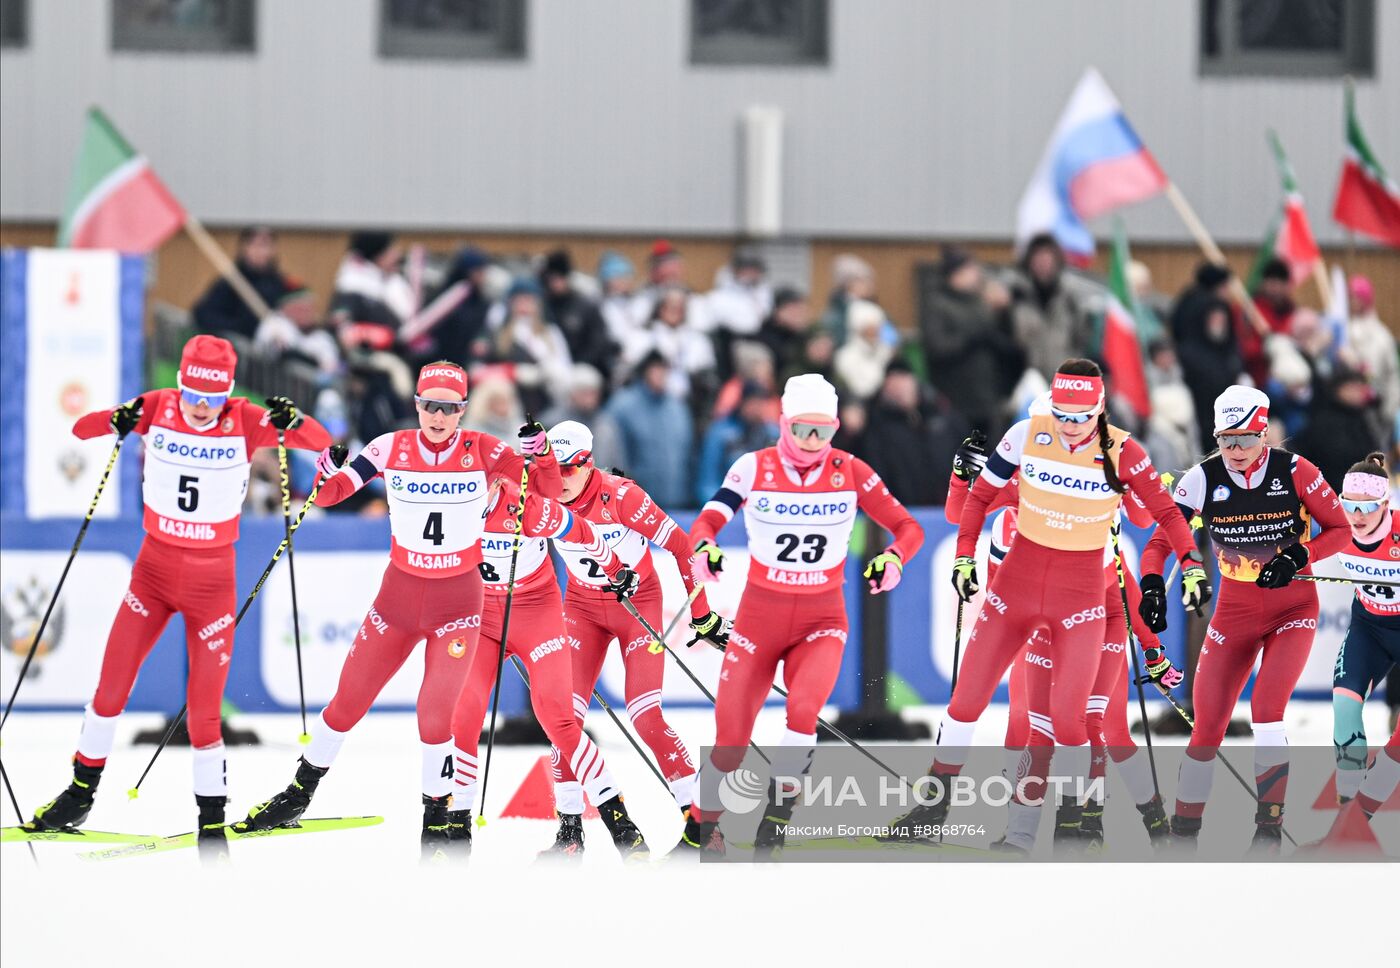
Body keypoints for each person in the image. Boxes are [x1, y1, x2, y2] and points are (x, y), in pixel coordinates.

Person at [236, 363, 555, 858]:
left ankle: (437, 820)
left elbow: (549, 492)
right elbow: (339, 491)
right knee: (348, 699)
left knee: (436, 713)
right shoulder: (390, 446)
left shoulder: (486, 451)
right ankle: (297, 794)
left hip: (459, 602)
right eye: (430, 405)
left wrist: (543, 455)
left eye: (449, 407)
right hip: (399, 599)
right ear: (417, 404)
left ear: (463, 410)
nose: (438, 416)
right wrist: (327, 471)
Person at [28, 336, 328, 846]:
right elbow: (82, 428)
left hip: (212, 582)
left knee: (205, 710)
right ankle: (78, 794)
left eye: (212, 398)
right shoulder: (156, 406)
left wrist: (293, 419)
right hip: (153, 573)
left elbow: (321, 441)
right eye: (193, 394)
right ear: (180, 385)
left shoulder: (246, 419)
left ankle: (211, 822)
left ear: (228, 392)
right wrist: (116, 419)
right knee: (110, 688)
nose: (201, 407)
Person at [904, 360, 1200, 843]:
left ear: (1099, 411)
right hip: (1019, 601)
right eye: (1058, 416)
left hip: (1089, 607)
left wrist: (1153, 641)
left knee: (1090, 723)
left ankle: (1094, 822)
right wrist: (963, 531)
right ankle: (953, 814)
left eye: (1078, 418)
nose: (1067, 429)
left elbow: (1139, 547)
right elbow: (969, 505)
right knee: (996, 713)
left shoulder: (1115, 461)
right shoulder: (1022, 465)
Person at [677, 374, 924, 857]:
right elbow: (706, 521)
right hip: (758, 621)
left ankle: (776, 821)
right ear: (783, 423)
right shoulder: (753, 467)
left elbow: (907, 527)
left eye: (824, 431)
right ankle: (701, 832)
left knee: (803, 712)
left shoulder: (850, 470)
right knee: (729, 741)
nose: (813, 443)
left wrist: (894, 558)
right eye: (802, 430)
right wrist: (703, 547)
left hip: (822, 620)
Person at [1139, 385, 1351, 852]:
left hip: (1293, 607)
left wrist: (1299, 555)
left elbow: (1340, 530)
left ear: (1264, 434)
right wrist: (1152, 584)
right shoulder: (1201, 478)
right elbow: (1159, 543)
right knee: (1207, 725)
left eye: (1244, 439)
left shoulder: (1296, 471)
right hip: (1233, 614)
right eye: (1224, 439)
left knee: (1266, 712)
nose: (1234, 450)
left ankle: (1268, 830)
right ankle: (1184, 832)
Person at [544, 420, 728, 850]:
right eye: (550, 471)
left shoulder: (621, 497)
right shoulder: (540, 492)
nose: (558, 482)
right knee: (563, 721)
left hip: (637, 607)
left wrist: (702, 616)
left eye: (568, 470)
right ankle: (570, 832)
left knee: (646, 716)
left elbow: (683, 548)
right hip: (583, 610)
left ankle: (699, 822)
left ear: (588, 464)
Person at [448, 469, 648, 860]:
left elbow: (584, 531)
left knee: (558, 719)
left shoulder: (527, 504)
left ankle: (623, 828)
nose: (472, 492)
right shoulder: (450, 507)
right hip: (483, 618)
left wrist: (615, 570)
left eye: (481, 484)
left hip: (536, 615)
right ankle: (456, 830)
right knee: (464, 714)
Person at [1328, 452, 1400, 817]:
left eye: (1368, 507)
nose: (1357, 517)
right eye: (1349, 506)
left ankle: (1363, 813)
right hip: (1369, 628)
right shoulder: (1335, 530)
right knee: (1343, 706)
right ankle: (1347, 805)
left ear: (1385, 504)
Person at [919, 245, 1020, 443]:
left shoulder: (979, 302)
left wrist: (1004, 312)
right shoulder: (938, 304)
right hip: (955, 397)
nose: (976, 275)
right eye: (970, 270)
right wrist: (974, 338)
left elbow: (1002, 338)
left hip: (986, 396)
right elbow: (937, 347)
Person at [855, 360, 967, 506]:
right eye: (894, 382)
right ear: (885, 388)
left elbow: (971, 456)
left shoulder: (942, 416)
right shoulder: (877, 428)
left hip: (949, 509)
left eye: (904, 379)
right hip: (903, 511)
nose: (900, 387)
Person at [604, 351, 694, 509]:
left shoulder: (677, 407)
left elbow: (689, 452)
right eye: (656, 369)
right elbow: (613, 454)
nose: (661, 375)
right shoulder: (622, 406)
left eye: (665, 370)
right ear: (644, 372)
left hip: (678, 501)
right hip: (636, 504)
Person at [1170, 263, 1244, 452]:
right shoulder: (1216, 306)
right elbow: (1217, 335)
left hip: (1186, 368)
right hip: (1212, 374)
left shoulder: (1185, 300)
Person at [1006, 233, 1091, 382]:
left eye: (1047, 258)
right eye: (1038, 258)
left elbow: (1081, 338)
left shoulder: (1070, 298)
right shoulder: (1016, 296)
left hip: (1063, 377)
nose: (1043, 264)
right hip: (1026, 378)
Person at [192, 226, 296, 340]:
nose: (260, 251)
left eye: (266, 245)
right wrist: (239, 327)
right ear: (245, 248)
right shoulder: (231, 283)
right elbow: (204, 314)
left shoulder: (280, 283)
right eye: (255, 245)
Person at [694, 381, 779, 506]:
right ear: (743, 403)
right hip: (728, 509)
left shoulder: (773, 434)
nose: (757, 408)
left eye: (761, 403)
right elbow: (708, 480)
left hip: (764, 510)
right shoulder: (720, 433)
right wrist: (720, 508)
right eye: (753, 402)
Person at [539, 249, 617, 379]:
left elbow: (598, 342)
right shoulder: (544, 306)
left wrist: (578, 366)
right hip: (556, 371)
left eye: (559, 278)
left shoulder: (585, 305)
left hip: (585, 368)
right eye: (552, 279)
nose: (556, 284)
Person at [540, 363, 624, 471]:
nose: (590, 399)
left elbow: (618, 464)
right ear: (572, 393)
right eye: (584, 392)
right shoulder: (551, 423)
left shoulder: (607, 425)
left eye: (593, 393)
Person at [1346, 275, 1400, 420]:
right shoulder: (1344, 329)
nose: (1352, 301)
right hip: (1350, 405)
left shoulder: (1381, 335)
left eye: (1355, 296)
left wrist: (1389, 408)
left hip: (1377, 406)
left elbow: (1391, 374)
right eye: (1350, 297)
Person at [833, 299, 895, 402]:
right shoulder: (845, 356)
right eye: (870, 327)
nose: (875, 331)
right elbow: (858, 388)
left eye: (877, 326)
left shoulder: (887, 352)